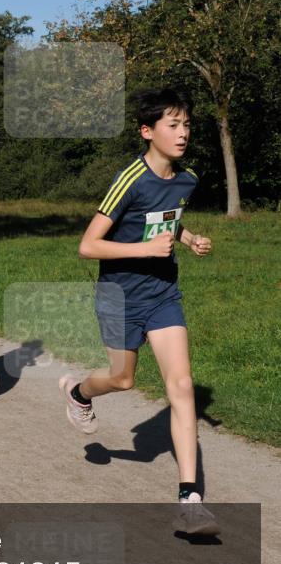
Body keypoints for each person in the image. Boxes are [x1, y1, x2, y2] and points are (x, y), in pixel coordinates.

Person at [63, 87, 219, 535]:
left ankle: (190, 499)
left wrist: (188, 239)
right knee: (123, 379)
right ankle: (79, 393)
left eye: (186, 124)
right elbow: (87, 245)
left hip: (164, 293)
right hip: (121, 297)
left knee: (182, 385)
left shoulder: (185, 179)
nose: (183, 133)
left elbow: (168, 216)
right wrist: (146, 248)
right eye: (173, 125)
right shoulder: (130, 177)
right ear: (148, 131)